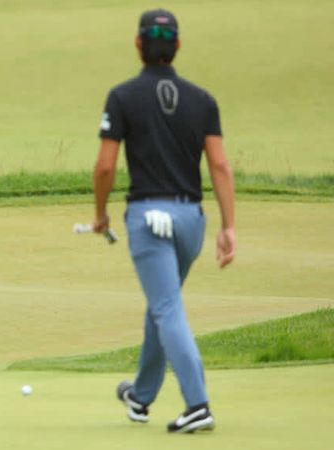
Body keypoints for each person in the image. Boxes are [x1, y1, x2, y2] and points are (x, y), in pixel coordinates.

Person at [91, 9, 236, 433]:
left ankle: (198, 404)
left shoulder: (122, 97)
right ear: (177, 47)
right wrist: (229, 226)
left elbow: (104, 168)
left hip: (149, 221)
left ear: (138, 45)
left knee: (167, 308)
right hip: (191, 221)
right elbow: (220, 165)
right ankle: (141, 395)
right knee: (161, 305)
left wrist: (100, 215)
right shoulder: (203, 100)